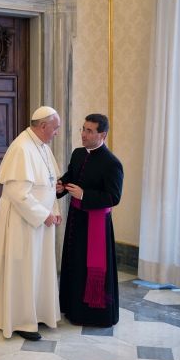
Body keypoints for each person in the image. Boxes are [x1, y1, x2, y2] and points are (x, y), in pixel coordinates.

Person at [0, 106, 63, 341]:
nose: (56, 133)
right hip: (22, 222)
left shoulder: (41, 146)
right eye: (55, 128)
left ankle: (37, 313)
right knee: (23, 269)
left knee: (38, 268)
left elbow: (50, 184)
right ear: (43, 126)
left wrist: (54, 209)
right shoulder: (22, 147)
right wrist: (43, 214)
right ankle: (21, 320)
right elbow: (17, 193)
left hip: (39, 221)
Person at [56, 113, 123, 327]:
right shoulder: (77, 153)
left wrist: (84, 195)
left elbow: (113, 197)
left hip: (96, 226)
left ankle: (93, 314)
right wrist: (61, 185)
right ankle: (72, 308)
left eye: (89, 131)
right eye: (83, 129)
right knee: (74, 264)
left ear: (102, 134)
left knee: (88, 267)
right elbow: (71, 176)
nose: (83, 134)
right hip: (76, 220)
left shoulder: (112, 163)